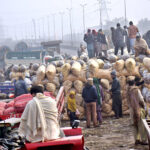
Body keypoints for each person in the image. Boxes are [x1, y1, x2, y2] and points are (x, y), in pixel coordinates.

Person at [127, 80, 147, 145]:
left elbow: (128, 101)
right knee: (141, 125)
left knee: (134, 125)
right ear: (134, 84)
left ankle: (136, 139)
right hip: (138, 109)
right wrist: (144, 106)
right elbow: (141, 99)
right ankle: (144, 140)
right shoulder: (136, 90)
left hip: (131, 110)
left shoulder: (128, 91)